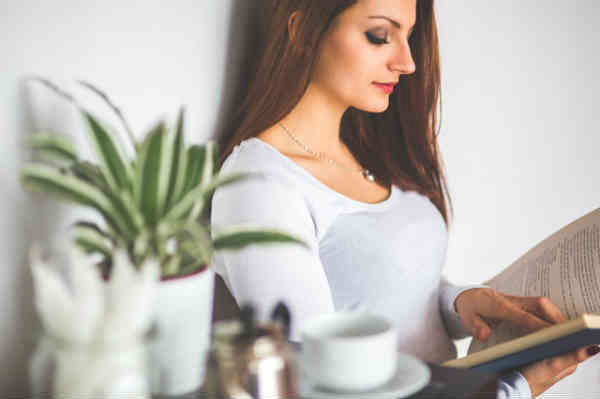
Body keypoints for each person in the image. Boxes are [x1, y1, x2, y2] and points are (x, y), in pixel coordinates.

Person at [210, 1, 599, 397]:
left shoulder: (363, 152)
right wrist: (513, 390)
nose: (408, 62)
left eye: (408, 37)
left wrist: (460, 303)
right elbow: (316, 379)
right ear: (302, 32)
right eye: (380, 36)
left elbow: (378, 288)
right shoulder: (259, 184)